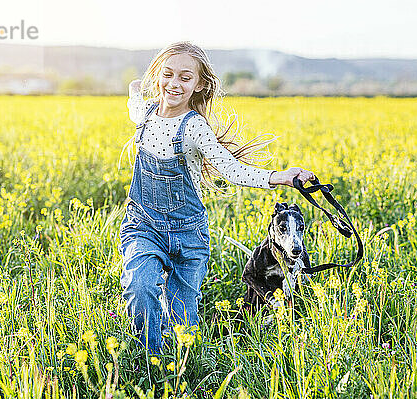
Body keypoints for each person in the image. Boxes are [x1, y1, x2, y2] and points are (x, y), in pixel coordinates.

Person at [119, 41, 315, 354]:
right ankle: (150, 362)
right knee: (140, 287)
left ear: (199, 85)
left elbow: (231, 168)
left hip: (187, 232)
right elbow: (135, 109)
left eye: (185, 78)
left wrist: (279, 177)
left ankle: (180, 369)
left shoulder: (194, 126)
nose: (174, 83)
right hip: (143, 225)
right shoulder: (147, 113)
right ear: (157, 76)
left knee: (183, 321)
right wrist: (134, 91)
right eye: (167, 74)